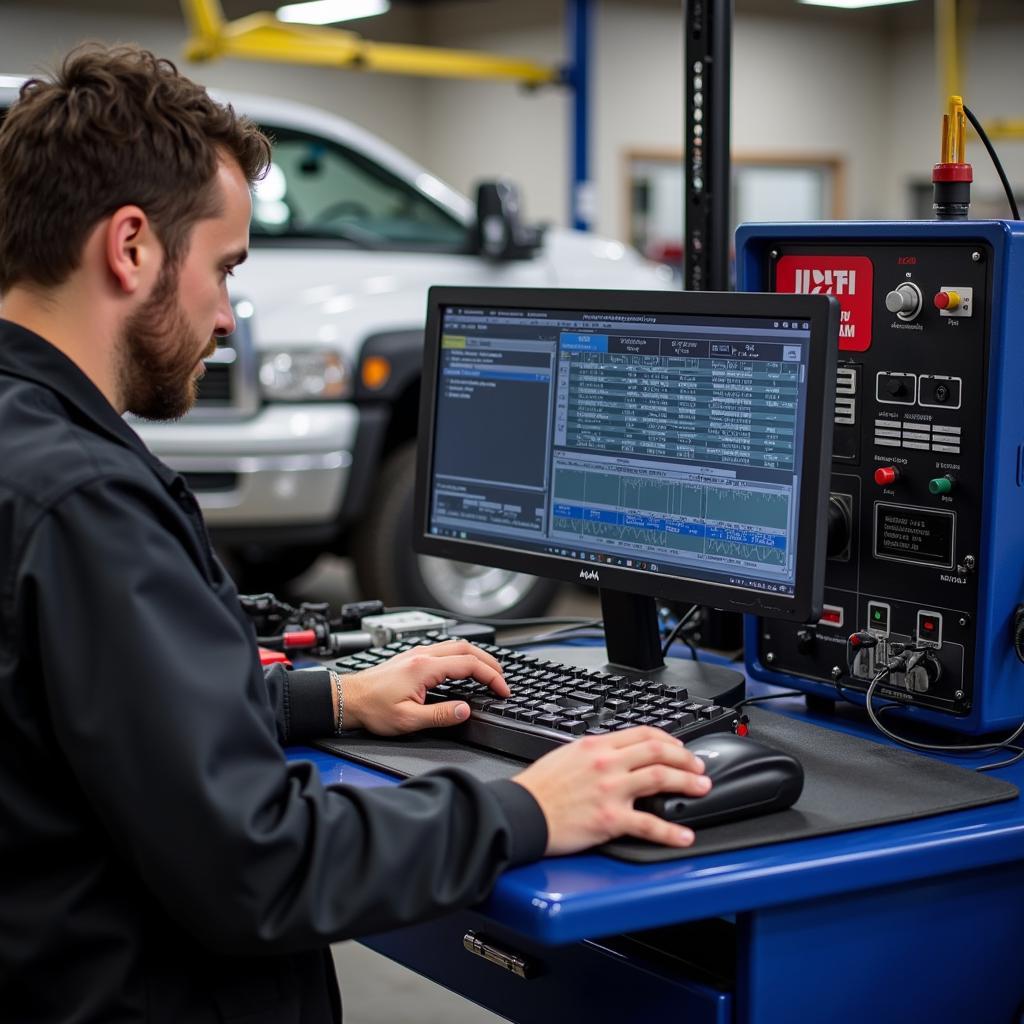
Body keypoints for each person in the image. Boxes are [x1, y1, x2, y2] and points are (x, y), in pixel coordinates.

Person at [0, 45, 712, 1023]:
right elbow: (260, 867)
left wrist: (324, 697)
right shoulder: (83, 502)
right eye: (225, 269)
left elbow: (87, 706)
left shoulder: (26, 442)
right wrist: (529, 808)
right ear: (131, 247)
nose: (226, 319)